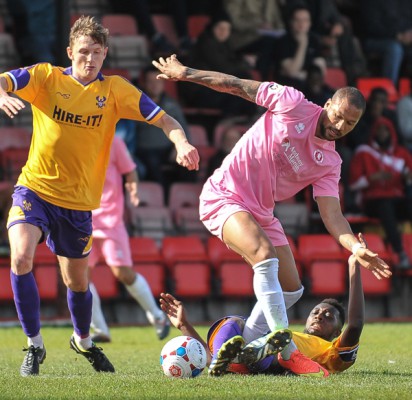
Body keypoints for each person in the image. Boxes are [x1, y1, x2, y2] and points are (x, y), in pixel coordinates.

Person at [152, 53, 391, 378]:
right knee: (265, 256)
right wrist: (185, 73)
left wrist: (355, 247)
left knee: (292, 287)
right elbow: (236, 86)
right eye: (337, 116)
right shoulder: (291, 103)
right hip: (225, 195)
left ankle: (247, 346)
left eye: (349, 124)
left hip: (262, 213)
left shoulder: (330, 163)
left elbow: (333, 215)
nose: (339, 126)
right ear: (328, 104)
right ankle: (287, 350)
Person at [0, 15, 199, 377]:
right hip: (35, 188)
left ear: (105, 53)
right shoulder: (47, 77)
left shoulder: (115, 91)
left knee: (77, 282)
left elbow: (166, 120)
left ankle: (83, 340)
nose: (89, 59)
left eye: (96, 52)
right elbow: (4, 80)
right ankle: (34, 344)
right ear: (69, 52)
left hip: (78, 204)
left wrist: (182, 142)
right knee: (21, 257)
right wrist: (1, 92)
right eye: (82, 52)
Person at [160, 238, 366, 376]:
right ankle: (239, 356)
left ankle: (259, 351)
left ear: (338, 332)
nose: (319, 316)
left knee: (267, 340)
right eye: (316, 312)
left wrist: (354, 266)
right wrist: (184, 325)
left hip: (265, 364)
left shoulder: (331, 352)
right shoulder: (290, 333)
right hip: (243, 356)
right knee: (237, 323)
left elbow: (355, 324)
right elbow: (203, 355)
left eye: (328, 316)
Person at [88, 136, 170, 343]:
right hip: (82, 220)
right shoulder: (75, 137)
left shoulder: (113, 141)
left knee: (122, 273)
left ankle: (157, 316)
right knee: (80, 277)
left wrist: (133, 190)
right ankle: (99, 329)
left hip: (110, 220)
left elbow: (130, 170)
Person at [349, 117, 412, 269]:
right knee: (385, 206)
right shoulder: (364, 152)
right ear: (373, 132)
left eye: (386, 130)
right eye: (379, 130)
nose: (383, 134)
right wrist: (372, 179)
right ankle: (400, 253)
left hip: (396, 198)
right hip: (371, 201)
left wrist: (407, 178)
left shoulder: (401, 153)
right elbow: (352, 184)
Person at [134, 66, 195, 191]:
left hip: (168, 150)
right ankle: (160, 203)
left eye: (158, 81)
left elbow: (184, 129)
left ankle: (186, 202)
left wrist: (178, 148)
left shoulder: (172, 105)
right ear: (144, 83)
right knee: (153, 165)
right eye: (151, 82)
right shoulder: (136, 104)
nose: (155, 85)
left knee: (190, 164)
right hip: (145, 151)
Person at [275, 4, 326, 91]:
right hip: (288, 88)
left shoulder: (314, 40)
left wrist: (306, 75)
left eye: (305, 20)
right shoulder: (283, 41)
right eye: (297, 20)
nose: (301, 24)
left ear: (310, 23)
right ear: (291, 22)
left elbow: (320, 70)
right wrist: (302, 44)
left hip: (311, 87)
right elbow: (291, 72)